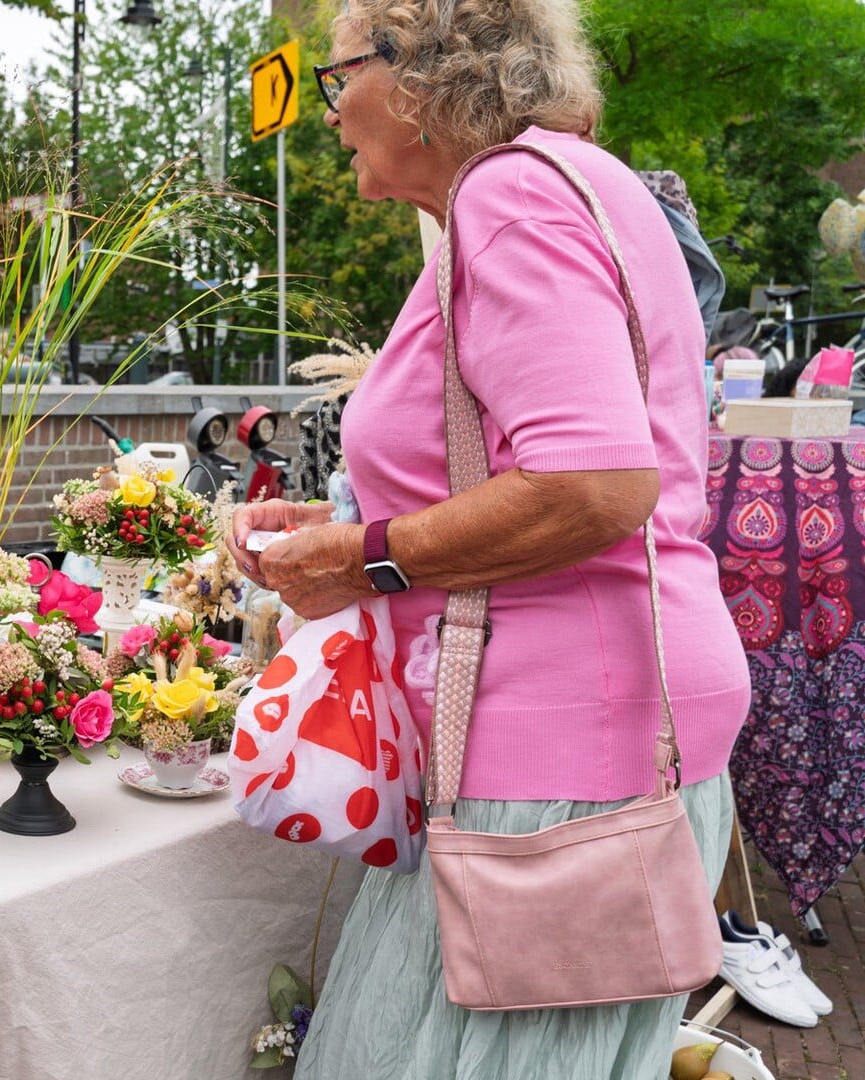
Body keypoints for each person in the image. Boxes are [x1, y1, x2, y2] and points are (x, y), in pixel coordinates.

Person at [229, 3, 751, 1077]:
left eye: (340, 77)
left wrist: (362, 558)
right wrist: (346, 531)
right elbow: (542, 466)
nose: (330, 112)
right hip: (597, 731)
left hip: (555, 755)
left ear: (421, 76)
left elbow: (594, 483)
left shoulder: (509, 197)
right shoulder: (574, 183)